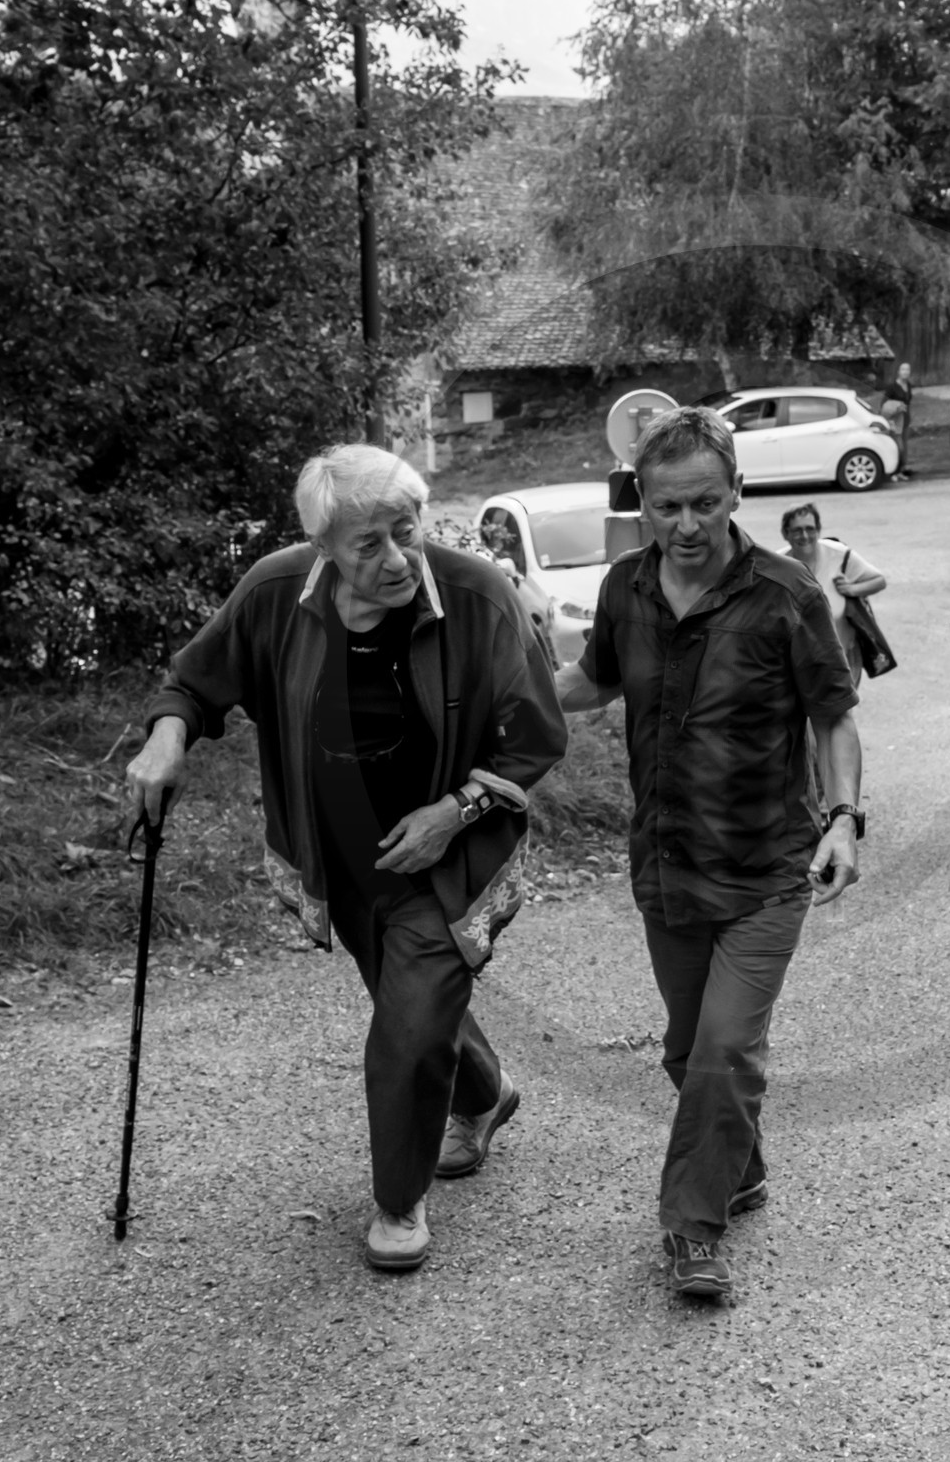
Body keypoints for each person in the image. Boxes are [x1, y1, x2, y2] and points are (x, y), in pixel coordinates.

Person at [125, 444, 567, 1273]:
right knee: (411, 1002)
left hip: (448, 856)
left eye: (407, 531)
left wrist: (453, 810)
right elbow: (194, 682)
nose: (398, 558)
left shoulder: (478, 595)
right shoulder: (274, 593)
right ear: (324, 547)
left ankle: (398, 1206)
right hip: (344, 857)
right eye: (370, 544)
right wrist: (166, 737)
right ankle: (487, 1093)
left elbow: (538, 735)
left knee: (405, 1024)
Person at [553, 406, 863, 1299]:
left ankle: (693, 1229)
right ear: (641, 503)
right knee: (689, 1054)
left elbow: (833, 713)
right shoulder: (625, 589)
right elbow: (590, 680)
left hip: (768, 867)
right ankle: (742, 1164)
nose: (686, 527)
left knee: (725, 1051)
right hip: (665, 865)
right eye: (666, 508)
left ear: (737, 494)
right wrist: (507, 691)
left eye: (705, 504)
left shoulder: (786, 596)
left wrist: (844, 818)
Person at [779, 502, 888, 688]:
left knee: (840, 714)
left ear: (818, 530)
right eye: (797, 530)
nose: (804, 536)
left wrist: (852, 589)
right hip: (799, 662)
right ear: (786, 534)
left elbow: (879, 581)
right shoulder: (778, 565)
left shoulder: (839, 555)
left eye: (810, 529)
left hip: (843, 657)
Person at [880, 361, 915, 481]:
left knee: (904, 447)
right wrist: (889, 422)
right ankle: (892, 472)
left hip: (905, 420)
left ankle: (900, 470)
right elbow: (883, 405)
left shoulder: (909, 385)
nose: (905, 372)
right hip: (895, 422)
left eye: (908, 369)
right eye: (903, 369)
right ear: (898, 372)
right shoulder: (892, 387)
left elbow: (908, 403)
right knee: (897, 447)